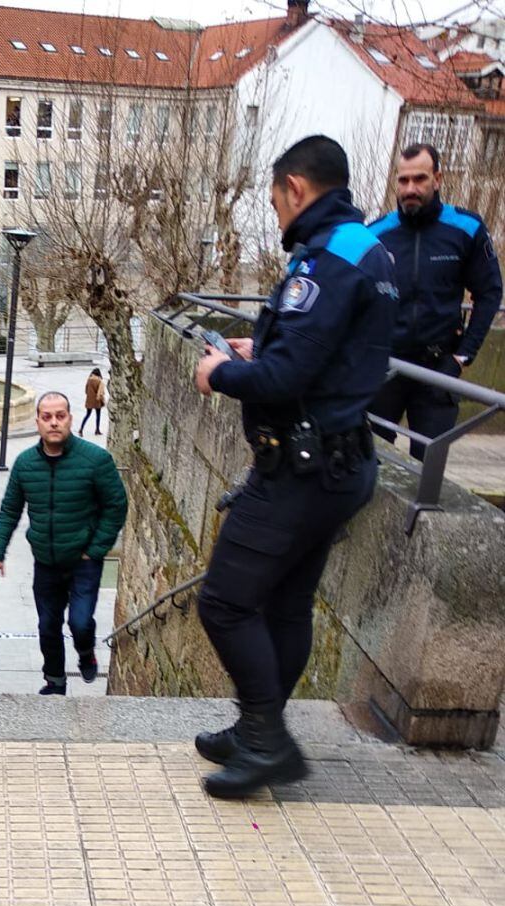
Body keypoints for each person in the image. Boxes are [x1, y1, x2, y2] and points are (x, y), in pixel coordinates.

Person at [192, 135, 397, 798]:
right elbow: (325, 353)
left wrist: (223, 371)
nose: (277, 214)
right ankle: (262, 722)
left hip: (303, 471)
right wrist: (266, 341)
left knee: (224, 601)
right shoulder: (365, 247)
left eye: (276, 199)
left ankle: (265, 740)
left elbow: (284, 379)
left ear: (297, 189)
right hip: (343, 462)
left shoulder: (328, 262)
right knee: (284, 603)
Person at [366, 143, 502, 461]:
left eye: (420, 179)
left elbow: (490, 292)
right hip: (386, 364)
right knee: (370, 460)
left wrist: (463, 356)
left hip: (438, 367)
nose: (410, 188)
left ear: (438, 179)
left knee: (428, 468)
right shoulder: (376, 233)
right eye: (403, 180)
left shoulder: (466, 229)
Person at [0, 392, 127, 695]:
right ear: (37, 421)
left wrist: (96, 549)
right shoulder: (25, 464)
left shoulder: (96, 460)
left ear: (70, 419)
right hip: (46, 563)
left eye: (60, 416)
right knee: (47, 627)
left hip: (84, 562)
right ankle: (54, 681)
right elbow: (10, 509)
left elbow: (117, 505)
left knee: (79, 622)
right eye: (47, 417)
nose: (54, 423)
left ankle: (86, 652)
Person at [79, 368, 105, 436]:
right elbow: (100, 393)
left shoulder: (89, 380)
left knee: (87, 415)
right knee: (98, 415)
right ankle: (97, 430)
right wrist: (102, 400)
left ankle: (81, 429)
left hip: (89, 400)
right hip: (97, 400)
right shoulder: (100, 381)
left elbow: (86, 390)